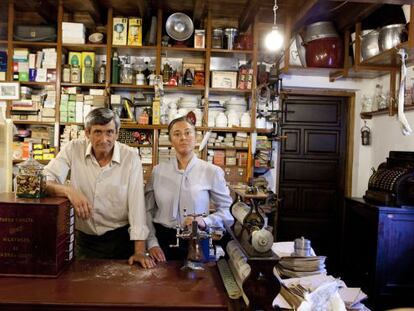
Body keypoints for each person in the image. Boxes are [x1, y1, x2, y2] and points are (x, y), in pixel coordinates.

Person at [43, 108, 155, 268]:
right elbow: (44, 181)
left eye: (109, 132)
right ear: (87, 133)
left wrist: (139, 251)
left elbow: (137, 204)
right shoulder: (73, 148)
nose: (104, 139)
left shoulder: (130, 157)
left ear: (117, 133)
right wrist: (69, 191)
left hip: (120, 239)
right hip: (83, 239)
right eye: (97, 132)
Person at [145, 116, 233, 262]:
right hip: (163, 241)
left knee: (198, 283)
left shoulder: (211, 171)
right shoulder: (158, 171)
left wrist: (206, 221)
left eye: (188, 132)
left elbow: (227, 212)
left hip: (197, 238)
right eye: (177, 134)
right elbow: (147, 210)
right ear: (170, 139)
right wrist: (152, 243)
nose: (183, 138)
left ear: (196, 136)